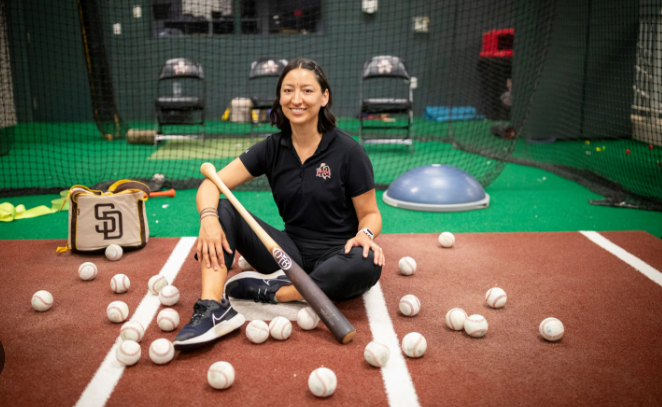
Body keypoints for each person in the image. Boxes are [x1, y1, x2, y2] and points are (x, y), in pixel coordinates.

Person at [173, 58, 384, 350]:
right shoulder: (272, 148)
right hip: (287, 253)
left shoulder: (348, 152)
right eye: (288, 90)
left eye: (307, 91)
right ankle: (213, 307)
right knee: (224, 210)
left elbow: (371, 214)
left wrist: (366, 235)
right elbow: (212, 184)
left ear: (324, 97)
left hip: (338, 254)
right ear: (280, 98)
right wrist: (208, 218)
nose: (296, 99)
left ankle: (277, 292)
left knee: (368, 261)